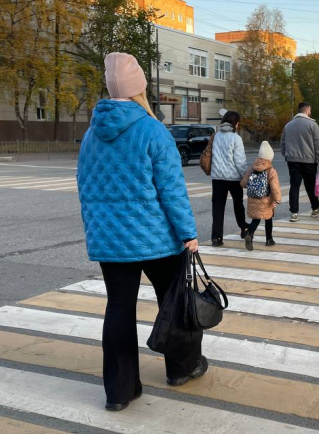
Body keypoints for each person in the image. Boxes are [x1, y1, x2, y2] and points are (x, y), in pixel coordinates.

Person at [76, 52, 206, 413]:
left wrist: (97, 232)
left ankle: (119, 392)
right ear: (140, 90)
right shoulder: (152, 130)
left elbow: (85, 187)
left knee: (118, 309)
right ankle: (182, 368)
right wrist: (188, 234)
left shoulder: (91, 135)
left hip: (110, 241)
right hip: (156, 239)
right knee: (176, 302)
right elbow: (172, 190)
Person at [209, 111, 249, 247]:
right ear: (235, 123)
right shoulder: (235, 138)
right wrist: (245, 176)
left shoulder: (216, 136)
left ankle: (216, 238)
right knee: (238, 204)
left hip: (217, 178)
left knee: (218, 208)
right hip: (233, 178)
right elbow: (239, 161)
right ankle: (244, 228)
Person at [281, 102, 319, 222]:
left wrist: (287, 155)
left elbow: (282, 144)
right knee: (310, 185)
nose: (310, 112)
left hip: (292, 160)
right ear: (306, 111)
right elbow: (318, 145)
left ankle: (294, 213)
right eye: (310, 110)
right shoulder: (312, 125)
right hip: (309, 161)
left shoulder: (288, 126)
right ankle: (315, 208)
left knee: (294, 186)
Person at [241, 141, 281, 250]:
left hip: (253, 199)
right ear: (270, 158)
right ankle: (269, 240)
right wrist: (277, 199)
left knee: (256, 220)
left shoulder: (251, 168)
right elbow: (274, 187)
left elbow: (243, 184)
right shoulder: (271, 170)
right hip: (266, 200)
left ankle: (250, 234)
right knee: (268, 219)